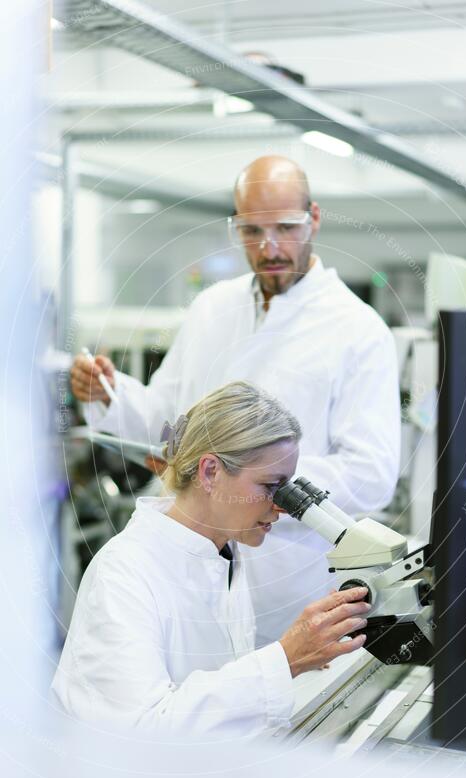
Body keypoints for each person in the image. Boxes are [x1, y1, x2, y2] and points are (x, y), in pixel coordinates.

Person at [70, 155, 400, 644]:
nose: (269, 247)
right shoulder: (211, 309)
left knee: (278, 701)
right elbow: (169, 420)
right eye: (251, 231)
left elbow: (372, 475)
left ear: (313, 218)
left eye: (285, 228)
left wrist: (250, 481)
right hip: (189, 562)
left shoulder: (357, 330)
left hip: (287, 579)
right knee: (184, 692)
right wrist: (110, 396)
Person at [52, 382, 370, 737]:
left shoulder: (224, 554)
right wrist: (283, 662)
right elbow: (137, 733)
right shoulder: (123, 575)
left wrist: (293, 668)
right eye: (269, 486)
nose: (282, 505)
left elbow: (207, 687)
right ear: (209, 472)